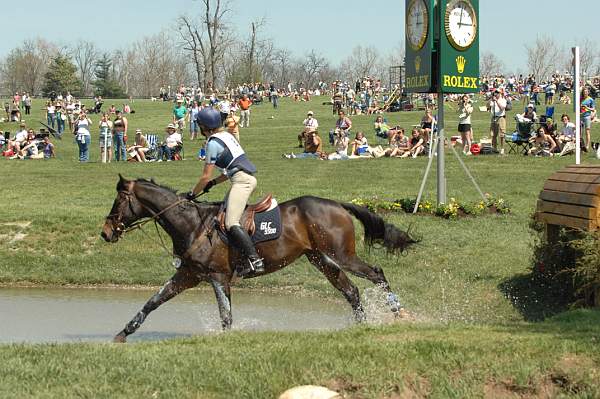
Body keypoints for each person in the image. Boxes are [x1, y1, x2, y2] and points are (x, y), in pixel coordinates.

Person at [187, 107, 263, 276]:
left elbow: (205, 176)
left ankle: (255, 261)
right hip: (241, 178)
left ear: (203, 127)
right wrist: (214, 183)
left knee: (230, 223)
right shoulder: (227, 136)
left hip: (241, 182)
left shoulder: (213, 143)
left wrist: (192, 194)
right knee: (222, 215)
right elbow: (230, 168)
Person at [488, 89, 507, 154]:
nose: (496, 93)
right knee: (493, 134)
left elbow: (502, 108)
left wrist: (496, 101)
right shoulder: (492, 100)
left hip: (501, 117)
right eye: (495, 92)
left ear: (500, 93)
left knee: (502, 134)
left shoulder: (503, 100)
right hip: (493, 118)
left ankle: (502, 148)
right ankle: (495, 148)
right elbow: (487, 107)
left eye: (497, 92)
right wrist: (490, 100)